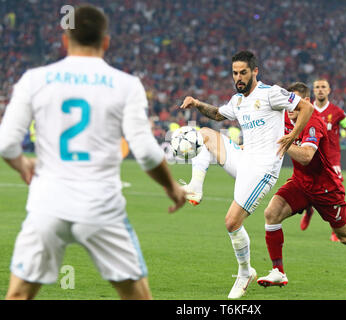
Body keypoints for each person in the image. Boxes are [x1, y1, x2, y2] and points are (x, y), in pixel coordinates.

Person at [0, 5, 186, 300]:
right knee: (137, 297)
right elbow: (147, 153)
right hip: (101, 207)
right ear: (106, 41)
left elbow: (7, 144)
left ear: (65, 40)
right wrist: (172, 187)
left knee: (19, 295)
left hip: (47, 204)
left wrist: (24, 165)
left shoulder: (34, 80)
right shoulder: (126, 85)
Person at [179, 50, 314, 299]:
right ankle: (195, 187)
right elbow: (219, 114)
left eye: (243, 72)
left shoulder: (271, 93)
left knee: (231, 222)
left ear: (254, 72)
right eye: (235, 73)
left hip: (263, 169)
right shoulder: (237, 100)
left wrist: (294, 134)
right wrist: (197, 104)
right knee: (206, 134)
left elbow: (305, 107)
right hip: (244, 159)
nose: (238, 77)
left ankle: (245, 272)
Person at [256, 82, 346, 294]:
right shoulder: (285, 119)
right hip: (300, 183)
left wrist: (283, 143)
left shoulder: (313, 123)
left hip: (326, 189)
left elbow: (307, 156)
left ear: (306, 103)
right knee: (271, 214)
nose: (291, 110)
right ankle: (278, 271)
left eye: (296, 105)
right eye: (289, 104)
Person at [300, 79, 346, 242]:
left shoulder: (337, 112)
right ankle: (309, 210)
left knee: (335, 194)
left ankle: (336, 229)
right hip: (312, 159)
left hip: (332, 160)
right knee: (308, 189)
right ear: (313, 91)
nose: (320, 90)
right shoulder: (306, 109)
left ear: (329, 90)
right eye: (317, 87)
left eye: (323, 87)